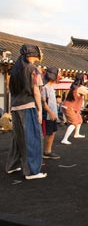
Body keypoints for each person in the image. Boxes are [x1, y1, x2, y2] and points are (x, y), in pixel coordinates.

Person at [5, 44, 47, 179]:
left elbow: (11, 90)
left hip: (15, 106)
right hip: (28, 107)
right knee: (32, 138)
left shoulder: (16, 70)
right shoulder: (33, 69)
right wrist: (40, 110)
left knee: (18, 138)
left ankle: (12, 165)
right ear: (33, 54)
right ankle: (32, 171)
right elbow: (36, 91)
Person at [41, 67, 61, 159]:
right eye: (58, 74)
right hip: (48, 115)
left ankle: (48, 151)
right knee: (48, 133)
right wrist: (51, 113)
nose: (59, 76)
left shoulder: (51, 88)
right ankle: (46, 151)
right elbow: (43, 103)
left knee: (53, 132)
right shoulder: (45, 88)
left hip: (52, 115)